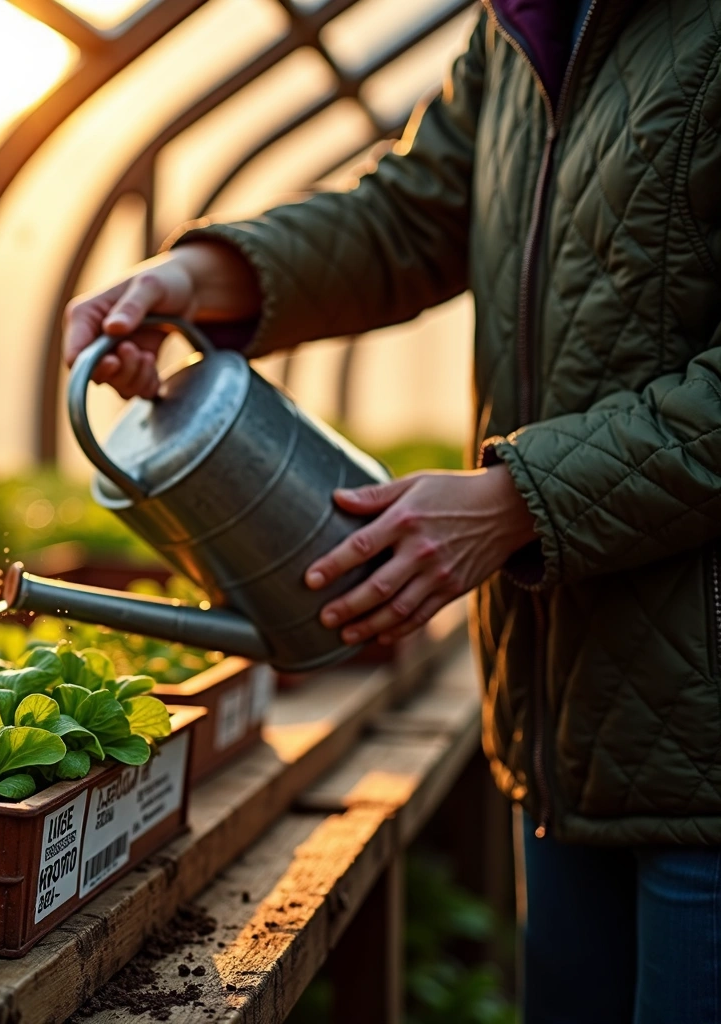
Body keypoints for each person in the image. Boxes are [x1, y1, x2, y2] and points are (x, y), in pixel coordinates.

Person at [64, 1, 721, 1020]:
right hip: (569, 730)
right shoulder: (522, 28)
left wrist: (519, 499)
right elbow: (408, 217)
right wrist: (195, 277)